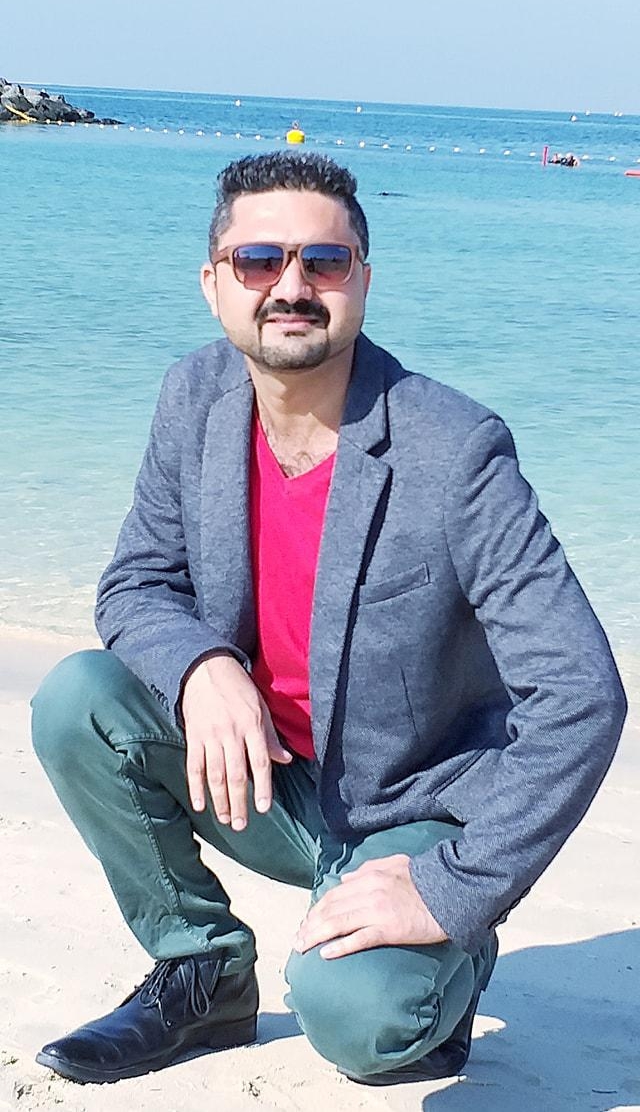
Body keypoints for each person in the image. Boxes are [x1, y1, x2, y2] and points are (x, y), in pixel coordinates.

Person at [31, 151, 626, 1087]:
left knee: (362, 1024)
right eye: (258, 260)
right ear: (213, 285)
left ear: (364, 283)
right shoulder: (193, 398)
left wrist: (455, 889)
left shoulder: (455, 451)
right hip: (265, 781)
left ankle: (448, 964)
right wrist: (202, 668)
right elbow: (137, 584)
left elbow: (581, 694)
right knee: (79, 700)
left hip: (412, 807)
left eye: (325, 261)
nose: (291, 287)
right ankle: (202, 972)